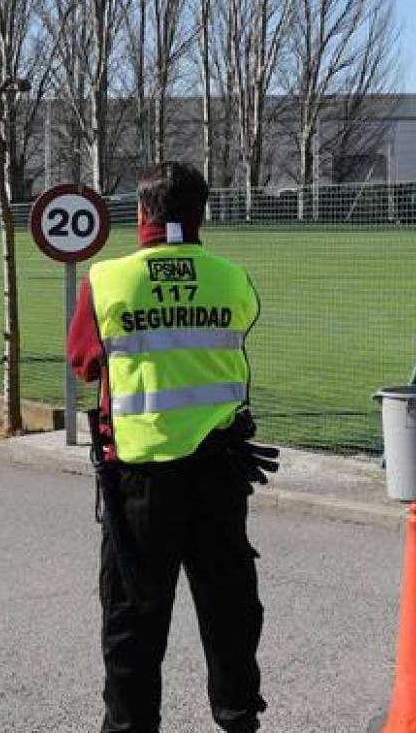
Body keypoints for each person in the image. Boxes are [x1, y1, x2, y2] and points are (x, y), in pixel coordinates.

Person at [67, 161, 280, 733]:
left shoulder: (106, 282)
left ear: (140, 213)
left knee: (133, 620)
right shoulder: (232, 278)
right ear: (201, 211)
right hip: (220, 469)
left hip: (140, 478)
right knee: (229, 608)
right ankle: (238, 719)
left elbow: (85, 363)